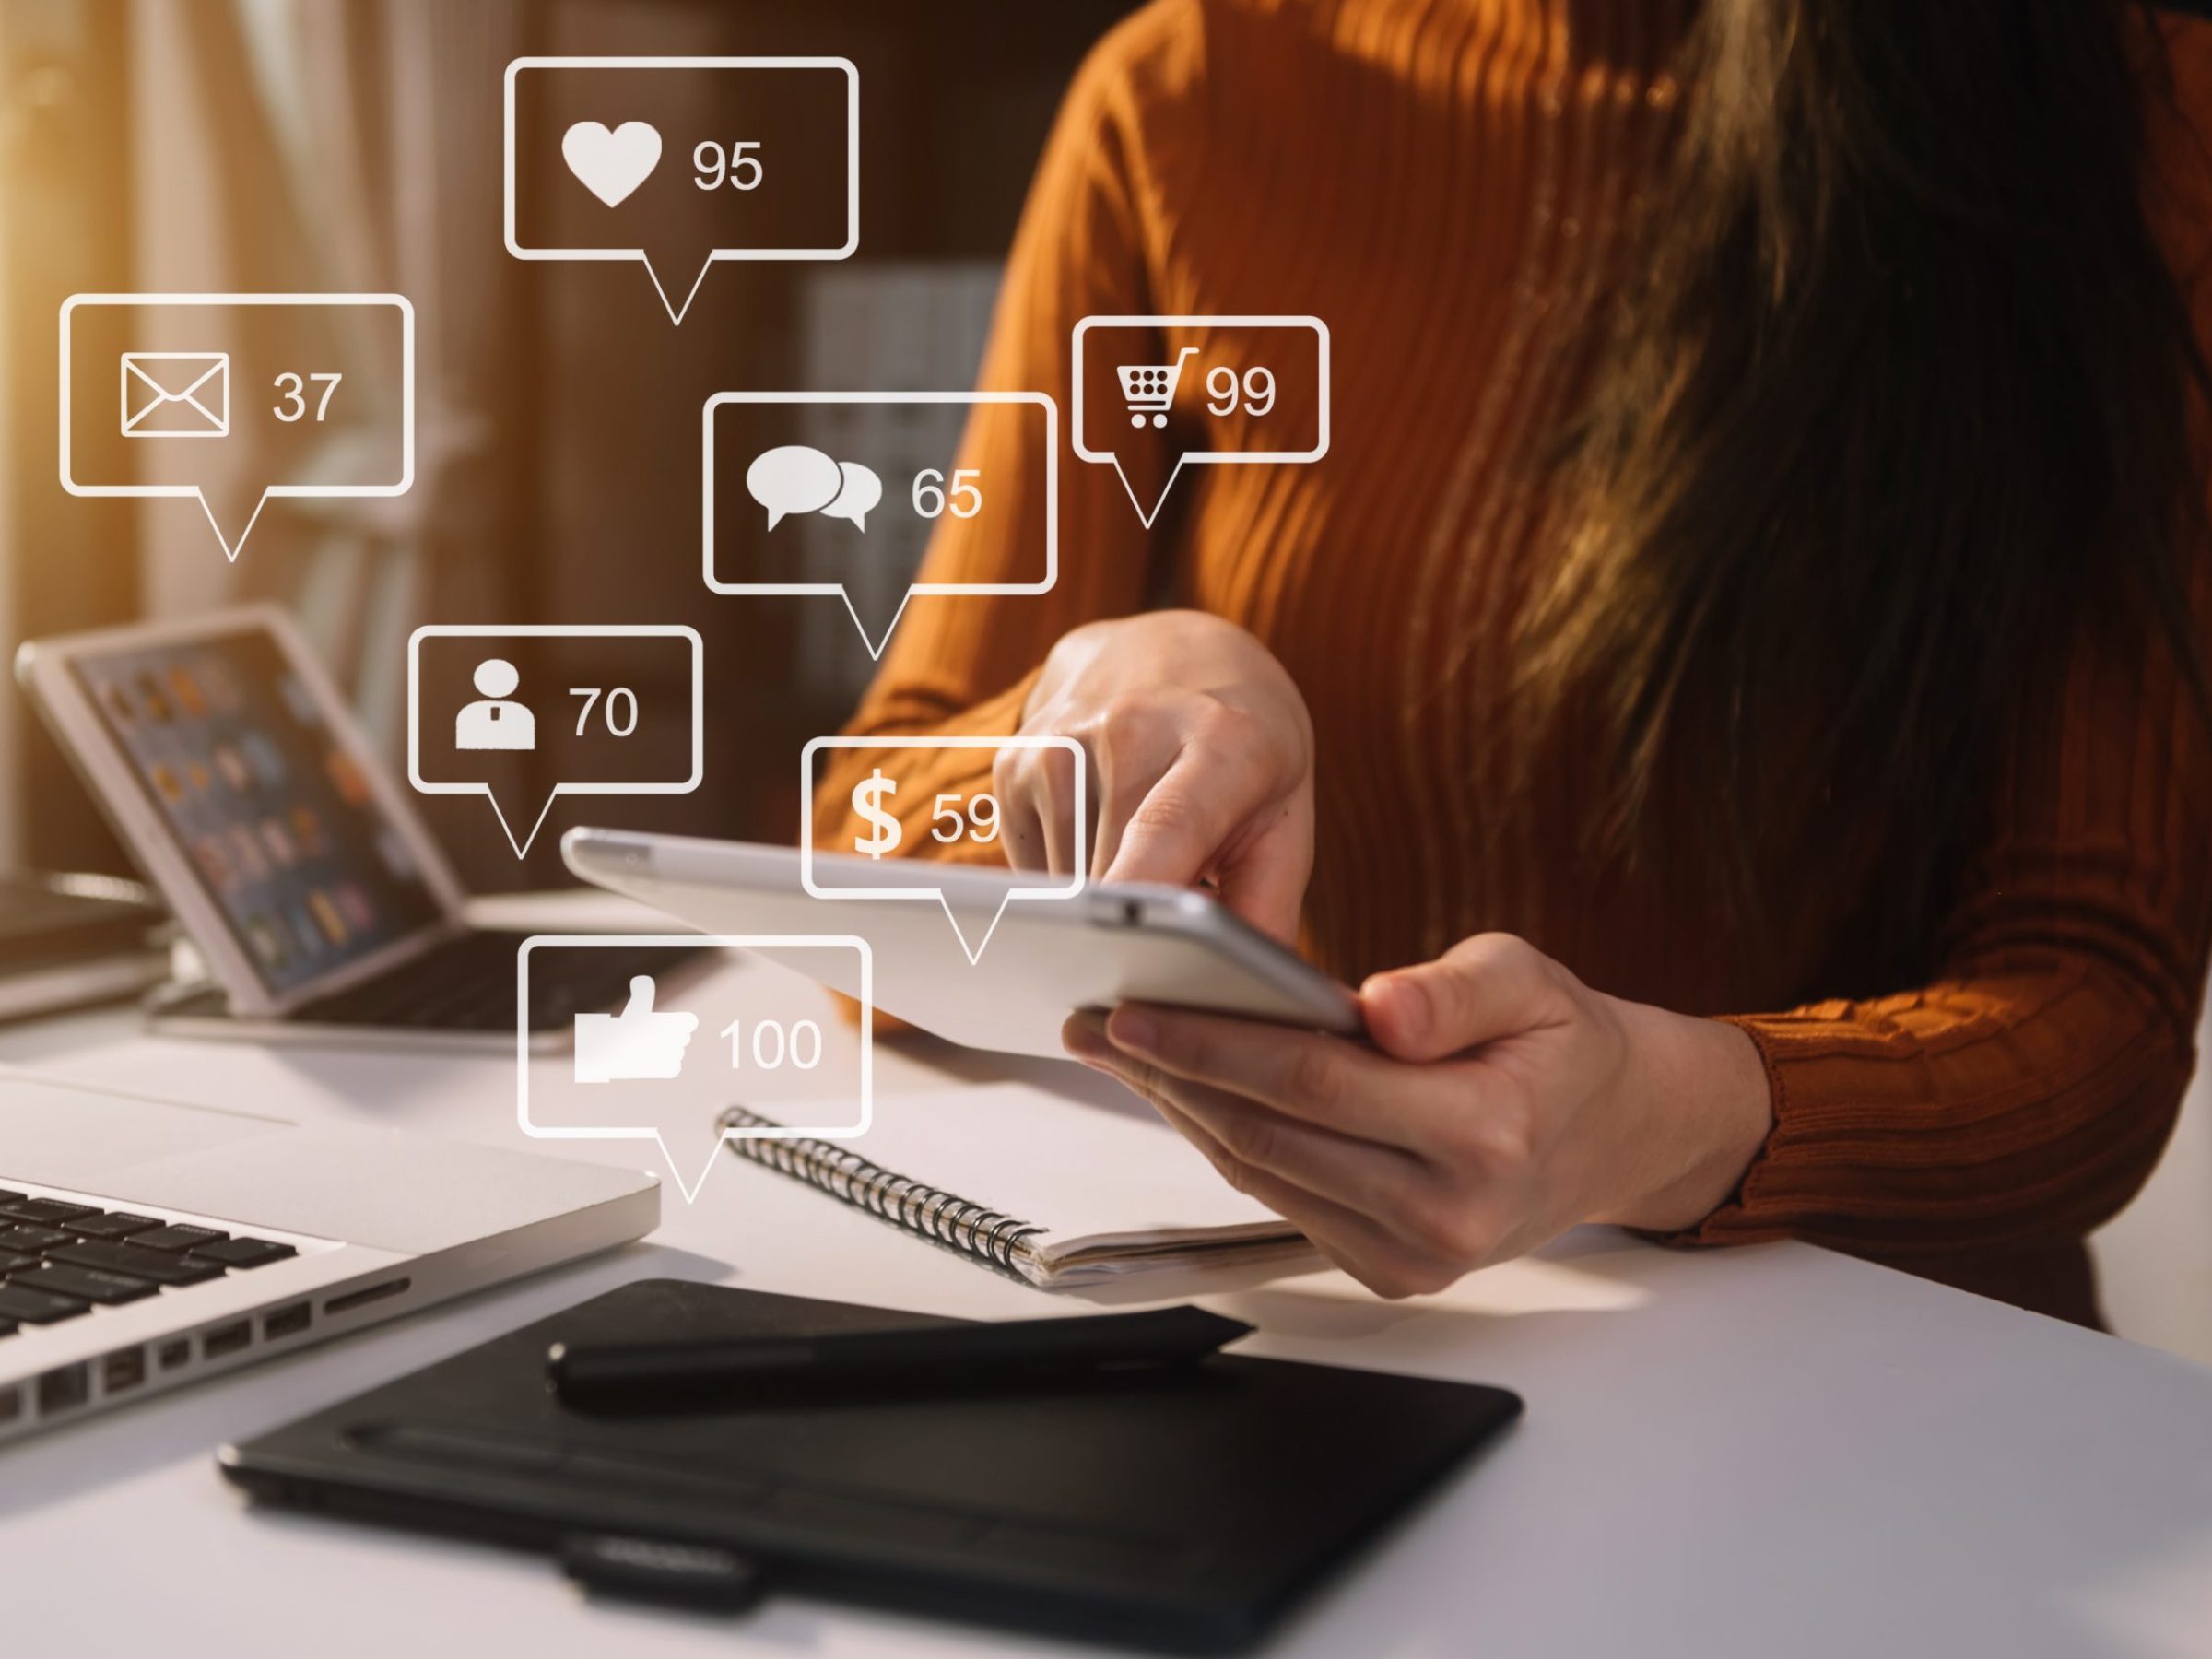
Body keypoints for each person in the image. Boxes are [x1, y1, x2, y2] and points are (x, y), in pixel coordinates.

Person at [818, 0, 2212, 1324]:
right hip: (1345, 1367)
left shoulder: (2141, 118)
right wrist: (1117, 691)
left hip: (1901, 1422)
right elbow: (855, 853)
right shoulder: (1189, 90)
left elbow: (2096, 1016)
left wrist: (1670, 1118)